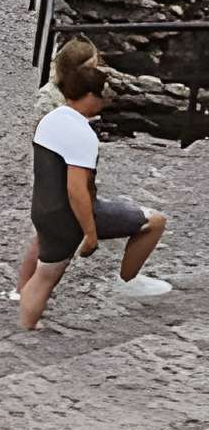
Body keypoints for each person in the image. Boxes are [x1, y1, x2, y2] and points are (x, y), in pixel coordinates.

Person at [17, 59, 174, 330]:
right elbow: (76, 189)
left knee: (44, 275)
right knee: (155, 221)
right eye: (103, 95)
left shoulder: (50, 119)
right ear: (90, 96)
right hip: (72, 216)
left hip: (44, 209)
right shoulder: (82, 134)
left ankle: (26, 327)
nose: (105, 101)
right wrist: (89, 234)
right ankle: (128, 282)